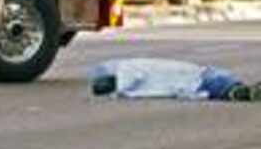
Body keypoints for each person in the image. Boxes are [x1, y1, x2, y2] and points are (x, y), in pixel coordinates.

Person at [91, 58, 261, 101]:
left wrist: (117, 92)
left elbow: (129, 81)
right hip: (192, 75)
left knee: (211, 82)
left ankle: (239, 91)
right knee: (214, 82)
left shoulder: (127, 70)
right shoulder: (128, 68)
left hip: (191, 76)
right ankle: (240, 91)